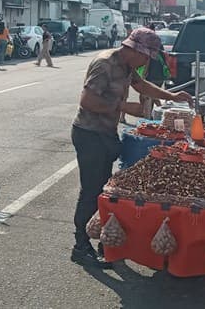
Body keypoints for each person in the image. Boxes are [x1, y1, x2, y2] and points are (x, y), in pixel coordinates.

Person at [70, 27, 193, 268]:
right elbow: (88, 100)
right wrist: (124, 108)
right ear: (133, 49)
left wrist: (171, 96)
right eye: (145, 55)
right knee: (91, 191)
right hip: (89, 134)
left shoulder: (128, 65)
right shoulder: (104, 64)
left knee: (105, 190)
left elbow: (142, 85)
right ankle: (80, 246)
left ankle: (100, 238)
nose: (146, 61)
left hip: (106, 133)